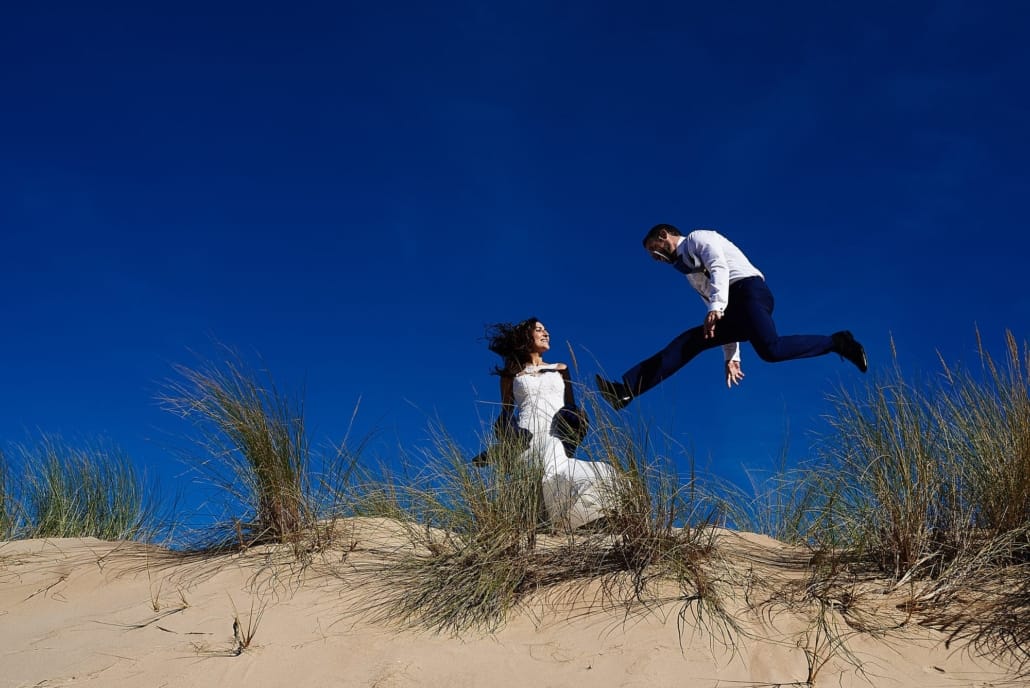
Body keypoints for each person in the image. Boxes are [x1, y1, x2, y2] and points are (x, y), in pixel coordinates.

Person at [595, 224, 868, 410]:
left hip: (750, 292)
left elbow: (719, 267)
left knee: (771, 350)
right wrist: (731, 357)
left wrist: (716, 306)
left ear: (664, 235)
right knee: (692, 340)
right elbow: (715, 312)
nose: (654, 258)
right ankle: (626, 390)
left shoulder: (699, 238)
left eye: (653, 250)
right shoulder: (690, 275)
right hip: (733, 306)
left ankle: (838, 342)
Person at [481, 317, 617, 531]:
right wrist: (507, 440)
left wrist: (577, 423)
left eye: (546, 330)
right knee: (538, 478)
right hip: (527, 438)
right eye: (539, 330)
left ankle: (580, 519)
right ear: (526, 337)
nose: (546, 333)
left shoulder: (560, 368)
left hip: (556, 435)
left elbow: (571, 407)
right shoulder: (511, 375)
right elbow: (506, 413)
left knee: (568, 471)